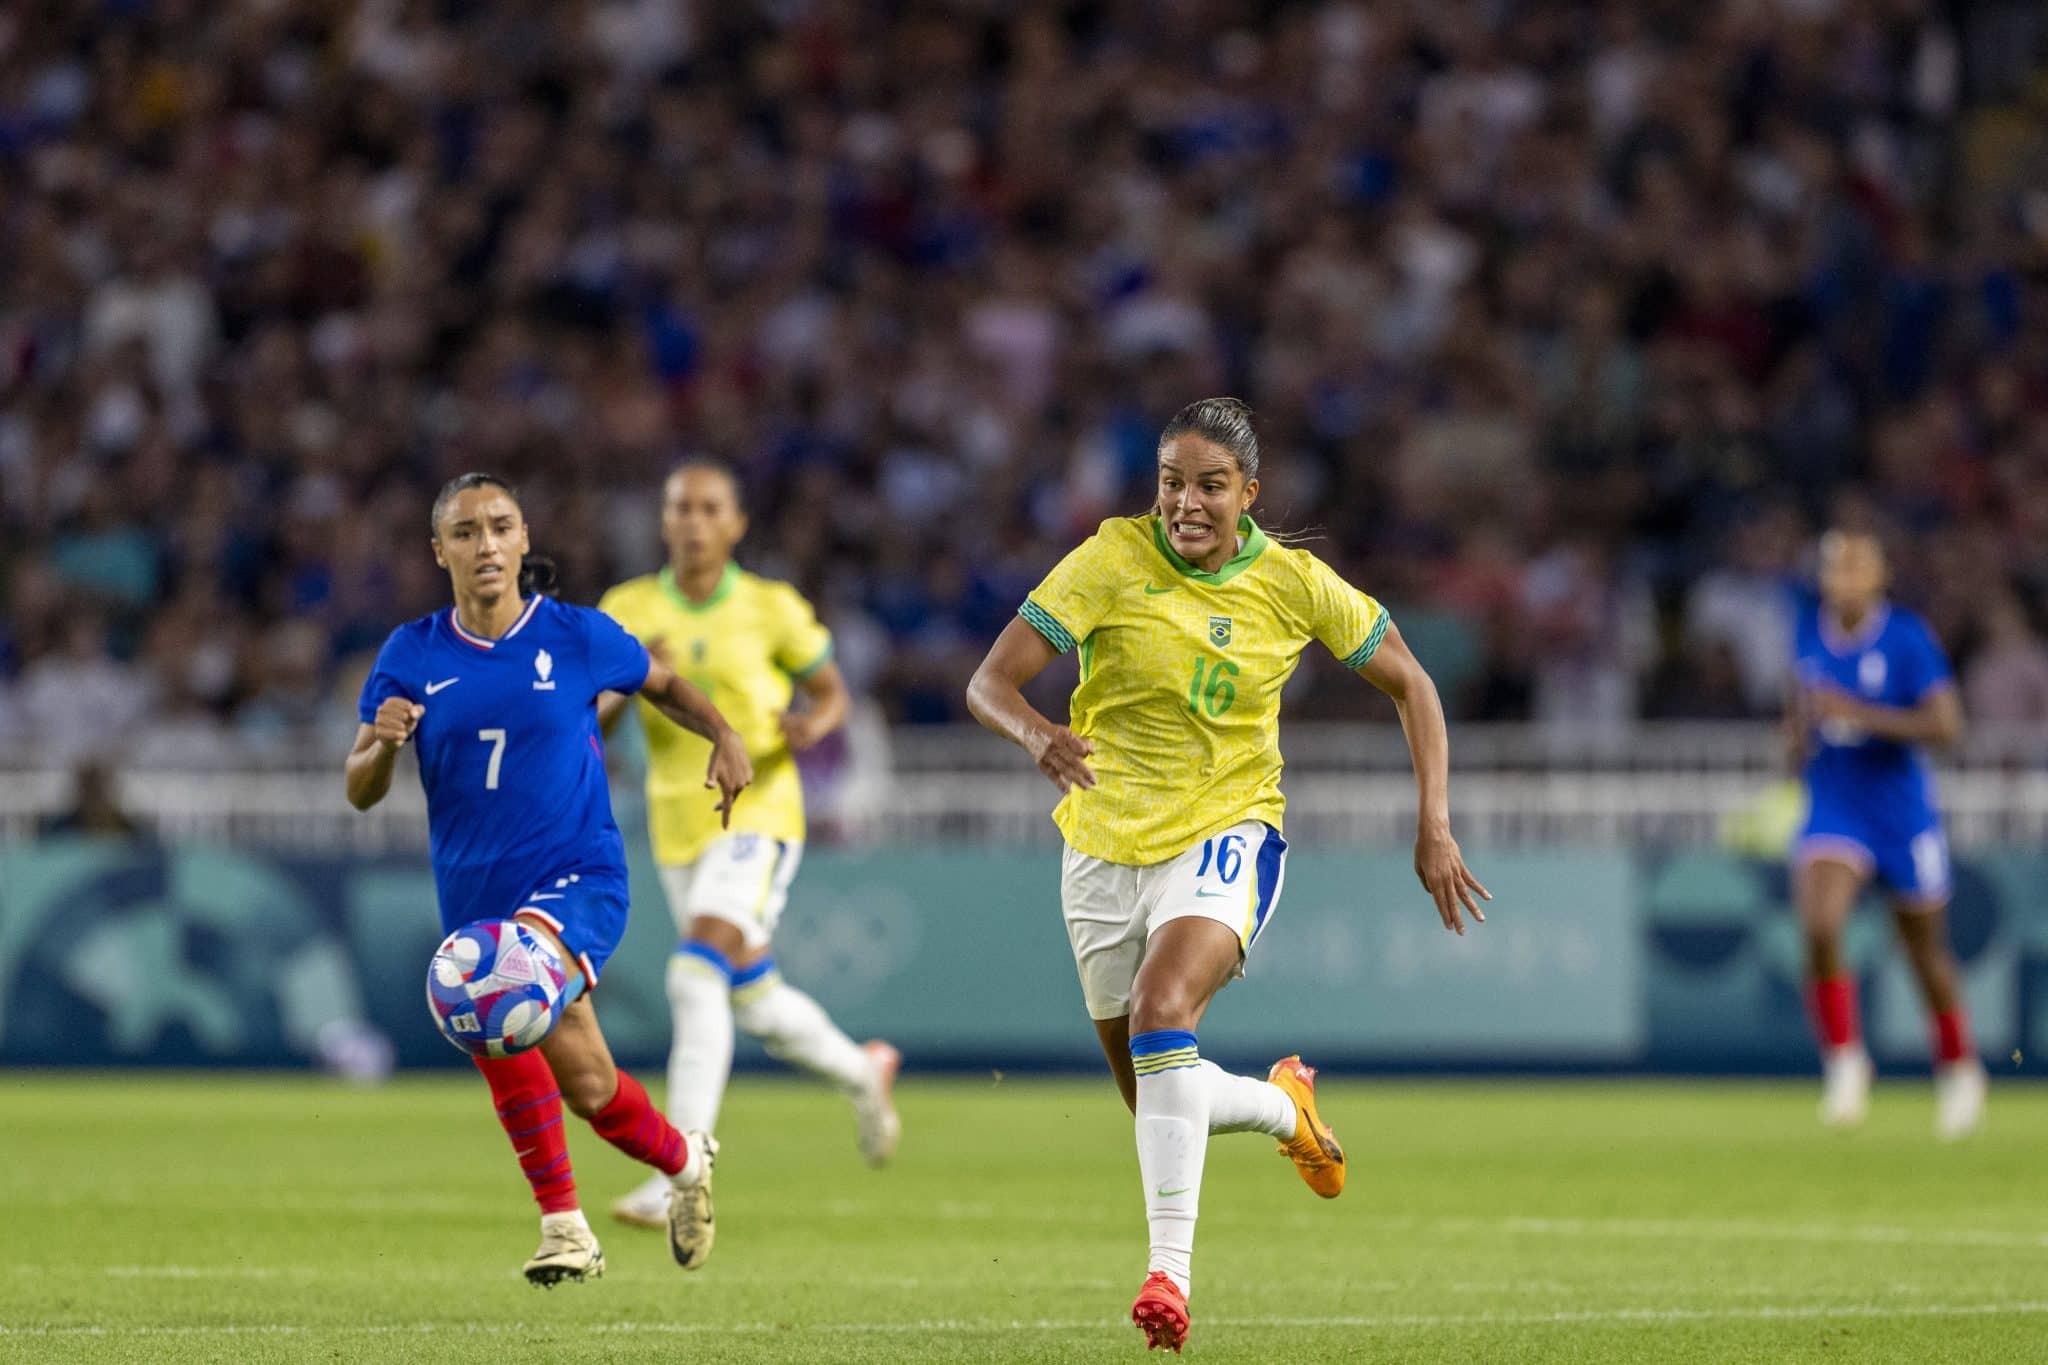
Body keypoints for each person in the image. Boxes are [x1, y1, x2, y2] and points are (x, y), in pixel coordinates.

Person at [964, 398, 1489, 1354]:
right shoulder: (1109, 560)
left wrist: (1435, 823)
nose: (1186, 503)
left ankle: (1168, 1277)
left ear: (1250, 493)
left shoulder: (1291, 582)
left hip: (1226, 832)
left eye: (1210, 485)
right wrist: (1039, 733)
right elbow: (989, 682)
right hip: (1099, 844)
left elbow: (1412, 680)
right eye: (1172, 481)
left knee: (1166, 1013)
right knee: (1158, 1096)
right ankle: (1285, 1106)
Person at [344, 472, 753, 1285]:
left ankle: (565, 1225)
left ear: (524, 538)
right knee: (593, 1087)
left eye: (499, 526)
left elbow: (662, 684)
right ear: (440, 552)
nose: (485, 543)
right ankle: (684, 1163)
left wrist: (724, 734)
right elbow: (359, 786)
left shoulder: (576, 635)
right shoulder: (411, 653)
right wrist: (383, 745)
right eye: (465, 532)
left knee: (490, 987)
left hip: (580, 876)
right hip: (476, 897)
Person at [597, 461, 901, 1236]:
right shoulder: (626, 608)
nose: (693, 520)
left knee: (696, 972)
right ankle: (866, 1073)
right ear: (663, 522)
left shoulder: (770, 607)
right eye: (680, 508)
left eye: (709, 508)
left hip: (760, 808)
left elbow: (833, 691)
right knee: (754, 1001)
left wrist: (814, 724)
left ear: (735, 525)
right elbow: (587, 720)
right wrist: (634, 677)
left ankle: (681, 1164)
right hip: (676, 820)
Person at [1786, 528, 1985, 1139]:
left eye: (1852, 571)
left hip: (1901, 814)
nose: (1840, 581)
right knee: (1820, 924)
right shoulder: (1807, 633)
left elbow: (1949, 729)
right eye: (1832, 570)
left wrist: (1861, 716)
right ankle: (1845, 1059)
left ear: (1876, 579)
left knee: (1926, 955)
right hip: (1836, 804)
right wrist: (1793, 743)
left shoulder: (1906, 639)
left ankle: (1958, 1068)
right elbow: (1801, 715)